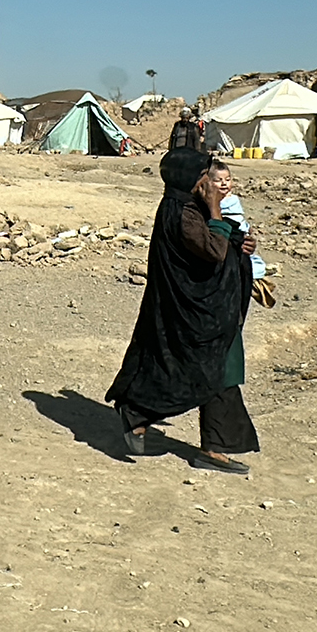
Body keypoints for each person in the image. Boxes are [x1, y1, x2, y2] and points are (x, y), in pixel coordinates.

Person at [106, 148, 260, 474]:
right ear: (187, 176)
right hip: (194, 313)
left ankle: (212, 446)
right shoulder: (182, 212)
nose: (209, 181)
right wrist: (217, 210)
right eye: (204, 174)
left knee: (214, 369)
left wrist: (240, 243)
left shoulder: (190, 207)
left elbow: (219, 238)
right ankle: (138, 413)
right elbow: (212, 250)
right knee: (198, 367)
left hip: (210, 311)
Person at [210, 160, 267, 281]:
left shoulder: (233, 200)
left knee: (258, 267)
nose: (224, 184)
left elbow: (238, 217)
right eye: (218, 180)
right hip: (226, 242)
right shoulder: (212, 203)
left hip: (241, 240)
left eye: (227, 179)